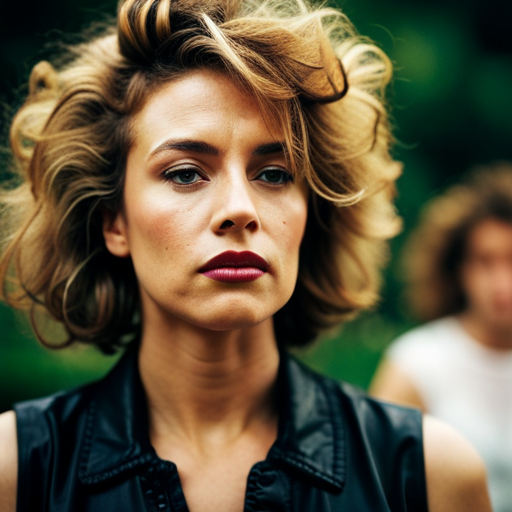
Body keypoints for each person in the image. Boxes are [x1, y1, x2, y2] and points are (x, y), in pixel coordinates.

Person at [0, 1, 491, 511]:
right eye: (186, 172)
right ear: (113, 221)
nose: (239, 209)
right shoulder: (18, 470)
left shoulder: (429, 474)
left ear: (313, 210)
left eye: (274, 174)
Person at [371, 164, 512, 512]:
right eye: (485, 261)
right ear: (458, 269)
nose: (501, 283)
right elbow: (374, 483)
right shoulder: (417, 363)